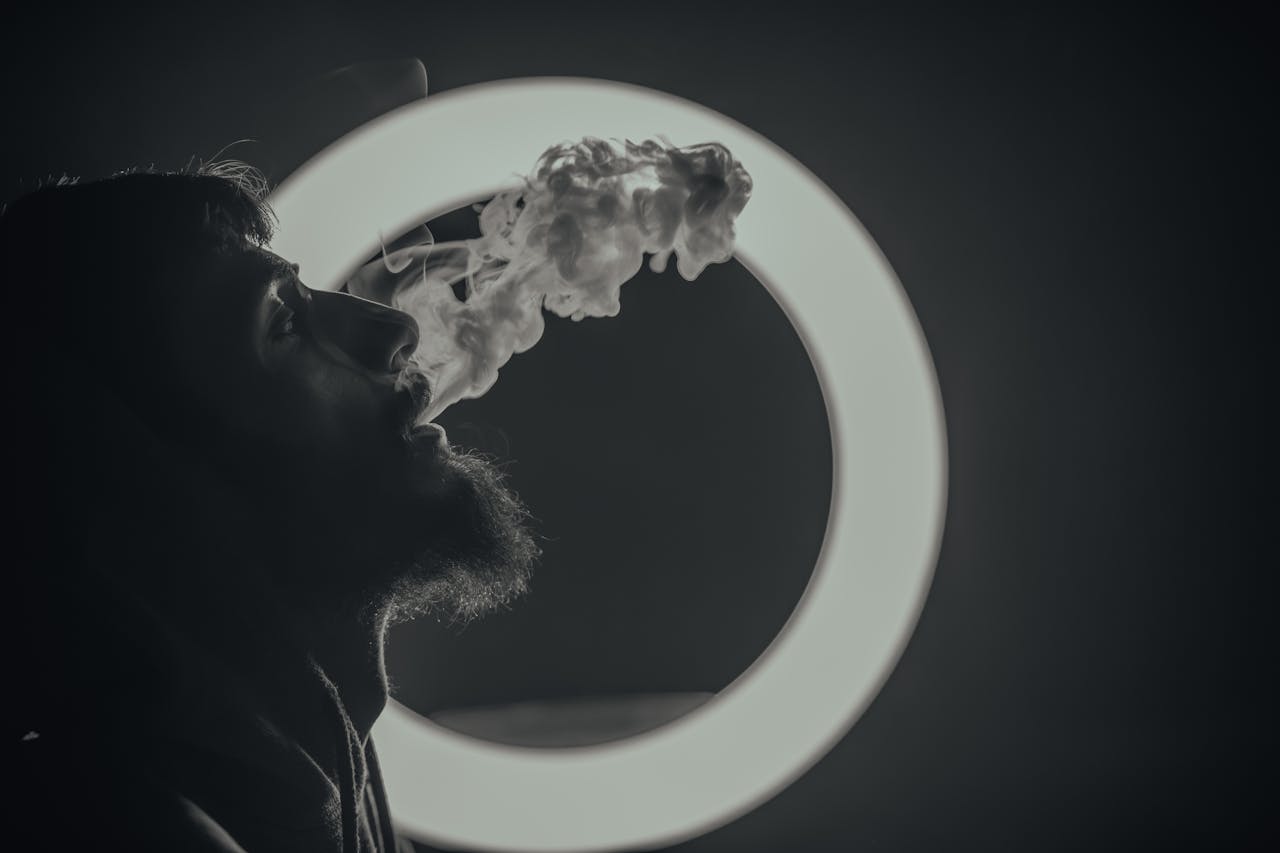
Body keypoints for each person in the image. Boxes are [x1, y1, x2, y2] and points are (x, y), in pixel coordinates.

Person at [4, 162, 541, 852]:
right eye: (284, 322)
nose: (394, 327)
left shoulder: (330, 779)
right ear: (154, 474)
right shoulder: (136, 829)